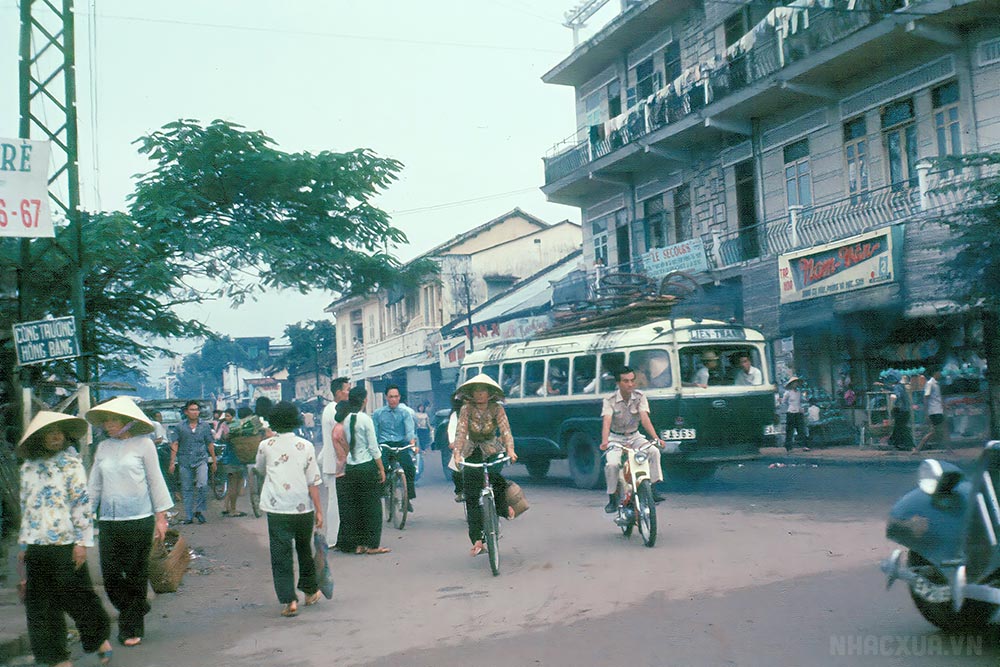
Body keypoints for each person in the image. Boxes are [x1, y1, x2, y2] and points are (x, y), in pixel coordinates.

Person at [17, 411, 113, 667]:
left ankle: (99, 638)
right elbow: (25, 509)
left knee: (77, 596)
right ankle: (57, 658)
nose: (56, 436)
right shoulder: (27, 468)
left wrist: (81, 543)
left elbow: (81, 506)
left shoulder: (72, 465)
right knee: (40, 607)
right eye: (50, 432)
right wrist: (22, 546)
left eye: (59, 431)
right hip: (36, 545)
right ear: (39, 438)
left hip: (65, 544)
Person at [86, 396, 172, 648]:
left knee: (135, 574)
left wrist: (161, 518)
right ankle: (138, 606)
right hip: (110, 520)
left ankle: (131, 627)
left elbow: (156, 480)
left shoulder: (144, 444)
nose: (108, 425)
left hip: (139, 518)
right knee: (111, 576)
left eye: (113, 420)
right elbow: (94, 486)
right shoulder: (102, 448)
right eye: (106, 421)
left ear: (127, 422)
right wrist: (85, 516)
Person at [255, 401, 324, 618]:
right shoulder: (306, 446)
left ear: (273, 421)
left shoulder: (265, 446)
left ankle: (289, 600)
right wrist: (319, 511)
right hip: (302, 506)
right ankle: (310, 591)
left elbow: (259, 469)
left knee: (280, 552)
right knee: (304, 549)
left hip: (277, 507)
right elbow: (313, 481)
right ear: (296, 420)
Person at [452, 374, 518, 557]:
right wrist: (457, 453)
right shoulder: (466, 409)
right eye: (476, 391)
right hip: (472, 450)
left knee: (496, 478)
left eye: (483, 390)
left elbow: (505, 431)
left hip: (492, 448)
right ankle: (477, 540)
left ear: (490, 393)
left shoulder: (497, 409)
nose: (479, 394)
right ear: (471, 394)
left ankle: (503, 508)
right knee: (471, 494)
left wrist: (510, 450)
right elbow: (461, 431)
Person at [599, 367, 666, 513]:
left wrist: (656, 438)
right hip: (616, 438)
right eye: (625, 381)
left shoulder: (640, 396)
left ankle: (652, 489)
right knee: (612, 465)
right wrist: (605, 442)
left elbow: (644, 418)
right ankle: (612, 498)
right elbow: (607, 421)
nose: (630, 384)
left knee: (654, 451)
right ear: (618, 383)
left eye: (632, 380)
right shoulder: (609, 400)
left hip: (635, 436)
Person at [337, 386, 390, 555]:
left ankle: (359, 544)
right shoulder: (366, 419)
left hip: (351, 467)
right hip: (366, 465)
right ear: (364, 400)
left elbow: (345, 444)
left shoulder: (345, 420)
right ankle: (373, 545)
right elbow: (374, 448)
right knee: (372, 507)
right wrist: (381, 469)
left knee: (357, 507)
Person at [168, 400, 217, 525]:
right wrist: (172, 462)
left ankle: (199, 511)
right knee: (187, 488)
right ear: (186, 412)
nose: (195, 412)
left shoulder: (205, 426)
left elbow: (210, 443)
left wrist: (214, 460)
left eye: (196, 410)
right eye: (192, 410)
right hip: (184, 460)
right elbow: (175, 443)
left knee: (202, 484)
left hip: (201, 459)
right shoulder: (180, 427)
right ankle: (189, 516)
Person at [372, 385, 418, 513]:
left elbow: (409, 430)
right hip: (385, 445)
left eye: (396, 396)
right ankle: (384, 490)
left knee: (409, 467)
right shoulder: (378, 414)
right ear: (386, 397)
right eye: (391, 397)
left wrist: (412, 442)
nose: (393, 399)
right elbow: (374, 433)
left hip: (401, 444)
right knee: (382, 467)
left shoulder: (405, 413)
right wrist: (375, 446)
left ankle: (408, 497)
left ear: (399, 397)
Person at [319, 377, 351, 548]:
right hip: (334, 463)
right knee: (335, 503)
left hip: (333, 462)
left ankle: (337, 537)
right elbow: (340, 437)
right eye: (347, 389)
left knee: (337, 502)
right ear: (339, 392)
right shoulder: (333, 410)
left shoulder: (331, 409)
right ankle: (333, 539)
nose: (349, 392)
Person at [217, 408, 247, 517]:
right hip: (236, 460)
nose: (226, 417)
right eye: (226, 415)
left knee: (231, 485)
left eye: (228, 415)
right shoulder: (239, 424)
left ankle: (227, 507)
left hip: (230, 459)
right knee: (235, 485)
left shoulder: (226, 425)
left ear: (233, 416)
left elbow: (221, 437)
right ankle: (233, 510)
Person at [915, 368, 948, 453]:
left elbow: (938, 398)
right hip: (934, 411)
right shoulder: (930, 383)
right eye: (939, 372)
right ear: (935, 373)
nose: (940, 374)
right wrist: (926, 412)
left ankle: (947, 448)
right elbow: (926, 398)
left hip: (938, 410)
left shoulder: (937, 384)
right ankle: (918, 448)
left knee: (940, 430)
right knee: (934, 431)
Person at [888, 372, 914, 451]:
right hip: (906, 410)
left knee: (900, 427)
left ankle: (899, 443)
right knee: (901, 427)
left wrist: (893, 405)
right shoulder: (901, 386)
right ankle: (900, 443)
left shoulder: (897, 387)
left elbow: (897, 396)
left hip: (901, 411)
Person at [781, 377, 808, 452]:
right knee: (790, 430)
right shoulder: (788, 393)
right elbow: (784, 402)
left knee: (801, 429)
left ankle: (804, 445)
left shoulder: (799, 392)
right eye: (794, 383)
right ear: (791, 384)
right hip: (791, 413)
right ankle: (788, 447)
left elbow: (802, 400)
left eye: (797, 383)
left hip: (798, 412)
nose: (796, 384)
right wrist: (789, 407)